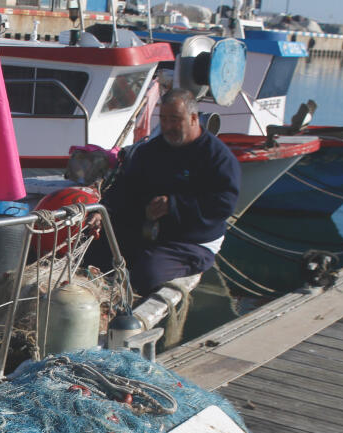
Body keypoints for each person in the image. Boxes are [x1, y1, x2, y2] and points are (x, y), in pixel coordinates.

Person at [88, 88, 241, 296]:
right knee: (95, 254)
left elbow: (223, 205)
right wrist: (103, 211)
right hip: (149, 229)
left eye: (175, 119)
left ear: (194, 118)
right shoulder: (151, 151)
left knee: (146, 274)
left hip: (191, 240)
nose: (168, 126)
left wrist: (174, 206)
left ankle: (129, 315)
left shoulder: (217, 158)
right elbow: (125, 186)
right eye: (164, 119)